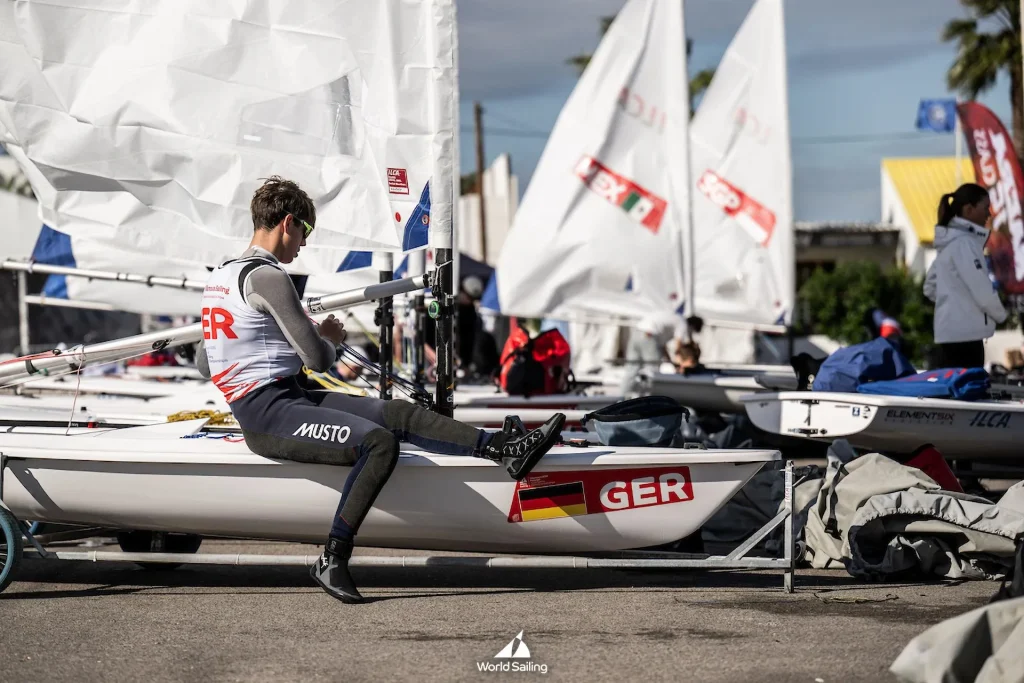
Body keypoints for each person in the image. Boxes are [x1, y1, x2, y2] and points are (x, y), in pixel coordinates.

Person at [197, 177, 565, 604]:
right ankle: (333, 558)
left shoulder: (220, 277)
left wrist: (270, 345)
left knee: (398, 413)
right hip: (269, 415)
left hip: (282, 399)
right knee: (379, 443)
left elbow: (208, 361)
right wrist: (330, 337)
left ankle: (501, 448)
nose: (303, 244)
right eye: (306, 232)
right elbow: (318, 360)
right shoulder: (270, 278)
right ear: (288, 223)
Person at [923, 183, 1007, 368]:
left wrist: (955, 303)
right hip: (966, 339)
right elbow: (982, 290)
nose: (989, 214)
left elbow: (930, 287)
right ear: (969, 209)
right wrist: (1002, 315)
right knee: (968, 392)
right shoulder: (965, 244)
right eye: (985, 208)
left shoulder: (949, 244)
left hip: (948, 338)